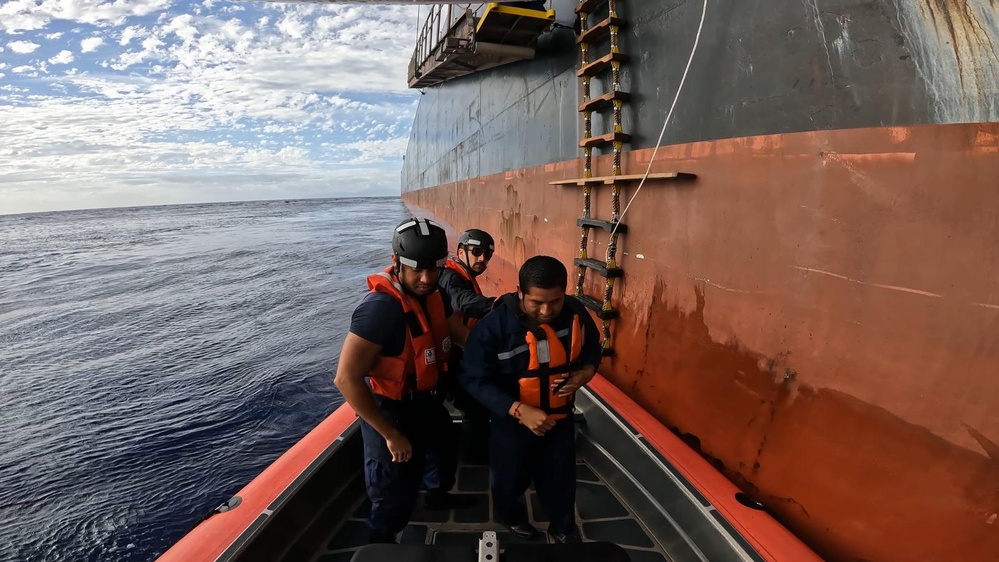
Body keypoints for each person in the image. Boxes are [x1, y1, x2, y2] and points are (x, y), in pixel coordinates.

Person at [333, 217, 470, 544]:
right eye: (416, 270)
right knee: (394, 490)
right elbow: (346, 379)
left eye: (433, 270)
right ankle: (380, 542)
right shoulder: (380, 309)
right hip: (390, 411)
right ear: (396, 263)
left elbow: (456, 332)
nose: (425, 279)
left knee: (443, 450)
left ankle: (437, 496)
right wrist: (391, 435)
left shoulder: (437, 292)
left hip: (427, 400)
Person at [459, 255, 602, 543]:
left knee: (560, 476)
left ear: (565, 292)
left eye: (555, 301)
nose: (546, 310)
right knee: (509, 477)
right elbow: (472, 378)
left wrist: (587, 370)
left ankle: (562, 527)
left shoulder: (575, 313)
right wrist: (517, 410)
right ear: (520, 292)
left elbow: (592, 347)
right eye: (536, 303)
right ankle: (510, 517)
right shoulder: (492, 328)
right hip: (511, 422)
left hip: (559, 418)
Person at [435, 229, 497, 461]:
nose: (483, 259)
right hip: (453, 359)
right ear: (461, 252)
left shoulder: (459, 275)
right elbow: (461, 300)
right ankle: (477, 457)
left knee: (476, 407)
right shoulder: (452, 278)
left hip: (457, 353)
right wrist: (498, 305)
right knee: (476, 408)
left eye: (487, 255)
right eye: (477, 252)